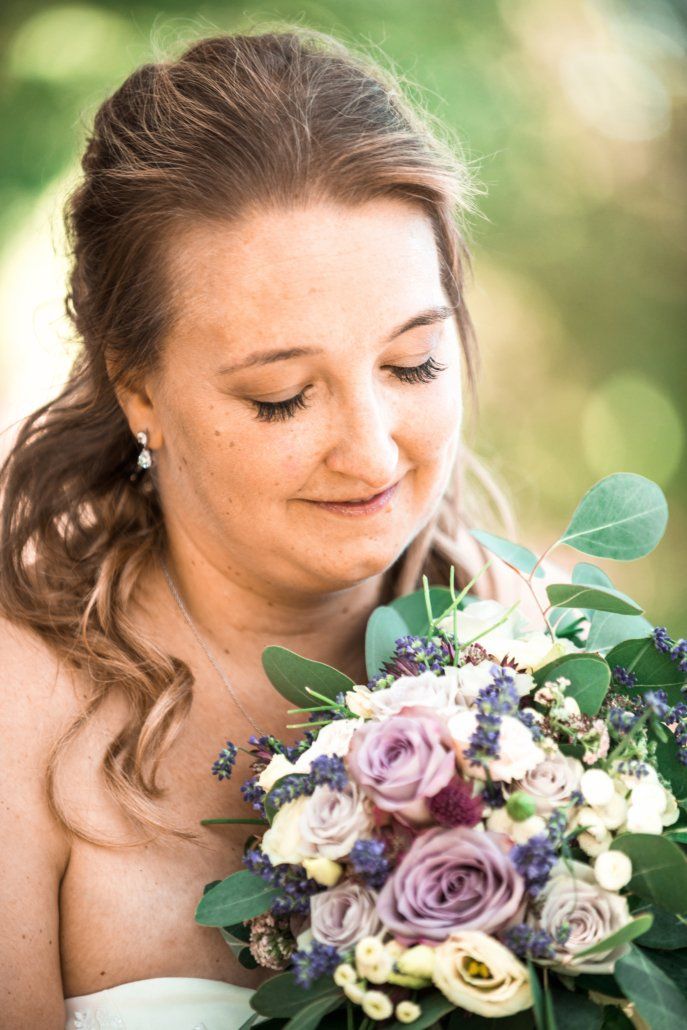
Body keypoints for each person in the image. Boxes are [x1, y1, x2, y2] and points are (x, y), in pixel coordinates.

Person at [0, 26, 559, 1030]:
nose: (374, 454)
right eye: (281, 396)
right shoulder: (21, 705)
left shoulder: (540, 652)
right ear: (139, 391)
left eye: (413, 365)